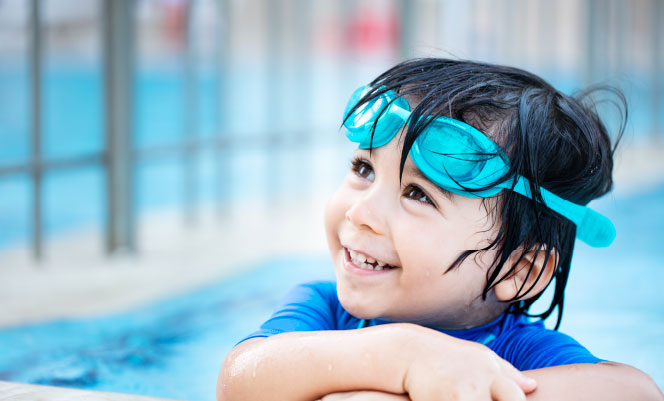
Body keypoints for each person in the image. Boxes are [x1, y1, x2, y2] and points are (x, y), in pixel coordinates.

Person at [217, 59, 663, 401]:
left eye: (418, 194)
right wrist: (403, 356)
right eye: (363, 169)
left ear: (518, 268)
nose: (360, 212)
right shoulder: (323, 310)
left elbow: (637, 392)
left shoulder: (519, 354)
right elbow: (239, 379)